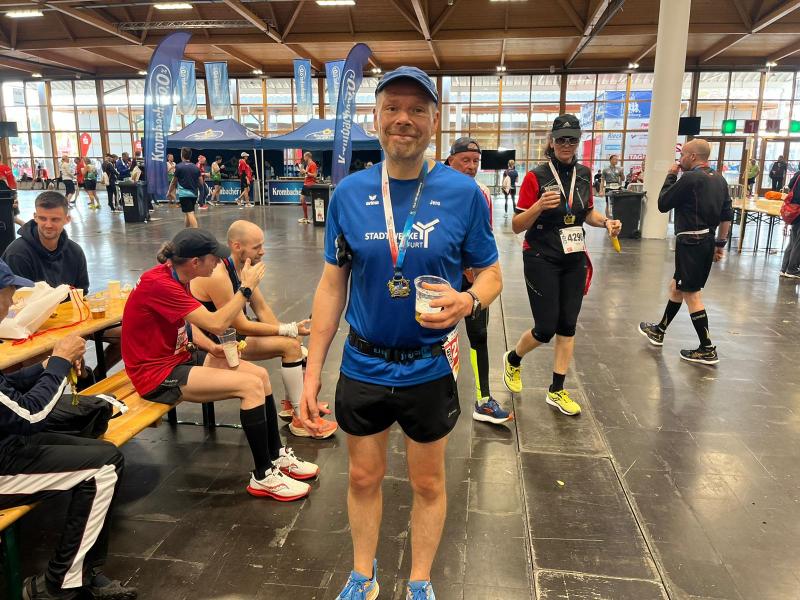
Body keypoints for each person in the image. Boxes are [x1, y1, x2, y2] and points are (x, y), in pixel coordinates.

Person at [301, 66, 502, 600]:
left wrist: (468, 300)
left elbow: (491, 273)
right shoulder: (349, 193)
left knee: (428, 482)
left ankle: (419, 582)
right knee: (362, 478)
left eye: (416, 110)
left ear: (435, 121)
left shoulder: (463, 194)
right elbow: (331, 285)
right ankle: (362, 576)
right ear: (376, 119)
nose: (403, 119)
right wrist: (311, 370)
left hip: (428, 364)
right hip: (363, 363)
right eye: (392, 108)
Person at [121, 228, 317, 499]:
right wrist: (246, 288)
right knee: (249, 387)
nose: (217, 262)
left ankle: (276, 455)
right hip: (155, 374)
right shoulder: (160, 284)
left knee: (260, 376)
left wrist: (210, 346)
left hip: (179, 357)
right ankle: (263, 476)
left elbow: (188, 321)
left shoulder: (178, 275)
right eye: (213, 258)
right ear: (195, 262)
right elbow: (217, 323)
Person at [0, 260, 138, 600]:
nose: (12, 302)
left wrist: (46, 366)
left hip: (8, 443)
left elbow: (8, 391)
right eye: (9, 293)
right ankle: (58, 584)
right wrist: (60, 363)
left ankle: (83, 572)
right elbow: (31, 414)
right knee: (103, 468)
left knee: (104, 453)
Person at [503, 114, 621, 416]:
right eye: (561, 139)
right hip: (541, 255)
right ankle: (513, 359)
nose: (566, 144)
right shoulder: (536, 176)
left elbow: (588, 213)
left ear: (578, 142)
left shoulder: (584, 174)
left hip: (574, 257)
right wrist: (538, 206)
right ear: (552, 142)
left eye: (572, 139)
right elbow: (516, 225)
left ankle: (557, 390)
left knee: (567, 326)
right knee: (545, 329)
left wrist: (606, 222)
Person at [190, 220, 338, 438]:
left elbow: (262, 309)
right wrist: (286, 331)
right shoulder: (218, 275)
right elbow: (240, 325)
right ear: (237, 246)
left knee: (295, 345)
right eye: (257, 247)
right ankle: (301, 419)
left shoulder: (244, 268)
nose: (263, 251)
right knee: (290, 347)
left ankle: (293, 404)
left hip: (233, 335)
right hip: (216, 343)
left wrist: (290, 329)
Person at [638, 139, 733, 365]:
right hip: (706, 240)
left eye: (682, 155)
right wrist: (720, 243)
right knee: (677, 286)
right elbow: (727, 215)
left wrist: (671, 175)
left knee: (692, 294)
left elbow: (663, 203)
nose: (680, 160)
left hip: (691, 242)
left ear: (692, 156)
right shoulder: (719, 179)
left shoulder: (690, 178)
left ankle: (707, 348)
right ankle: (659, 330)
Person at [446, 136, 512, 425]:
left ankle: (484, 399)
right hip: (444, 278)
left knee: (479, 336)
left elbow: (484, 238)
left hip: (474, 281)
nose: (471, 166)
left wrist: (478, 271)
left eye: (476, 161)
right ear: (451, 161)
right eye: (465, 160)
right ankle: (432, 396)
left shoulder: (482, 192)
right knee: (437, 337)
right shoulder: (434, 190)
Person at [2, 191, 89, 294]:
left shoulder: (75, 252)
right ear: (35, 217)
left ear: (67, 219)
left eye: (55, 219)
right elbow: (17, 300)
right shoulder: (17, 254)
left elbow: (82, 292)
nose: (48, 225)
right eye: (43, 219)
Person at [167, 147, 201, 229]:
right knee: (187, 212)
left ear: (182, 155)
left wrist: (169, 192)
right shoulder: (196, 167)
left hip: (184, 195)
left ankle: (196, 231)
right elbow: (201, 182)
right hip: (194, 194)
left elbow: (173, 182)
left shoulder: (179, 167)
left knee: (190, 213)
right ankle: (186, 230)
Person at [779, 171, 800, 279]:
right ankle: (792, 269)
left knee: (793, 241)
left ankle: (785, 268)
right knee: (798, 243)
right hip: (798, 210)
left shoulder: (797, 174)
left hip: (794, 212)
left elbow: (790, 186)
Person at [0, 152, 24, 227]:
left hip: (5, 196)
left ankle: (26, 227)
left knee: (12, 217)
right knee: (13, 217)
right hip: (10, 194)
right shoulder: (6, 168)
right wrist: (15, 194)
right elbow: (13, 182)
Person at [298, 151, 317, 224]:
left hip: (310, 184)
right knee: (302, 199)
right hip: (306, 184)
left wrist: (305, 172)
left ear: (307, 157)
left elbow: (314, 175)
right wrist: (302, 171)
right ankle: (305, 217)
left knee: (312, 201)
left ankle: (314, 218)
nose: (303, 158)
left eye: (304, 157)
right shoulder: (308, 165)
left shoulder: (312, 164)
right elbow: (306, 174)